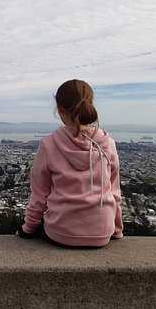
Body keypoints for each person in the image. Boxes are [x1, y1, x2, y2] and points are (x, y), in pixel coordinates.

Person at [19, 79, 123, 248]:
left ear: (59, 110)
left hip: (61, 233)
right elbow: (114, 192)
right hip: (103, 233)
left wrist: (28, 229)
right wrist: (117, 230)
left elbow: (39, 195)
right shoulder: (108, 143)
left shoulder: (49, 144)